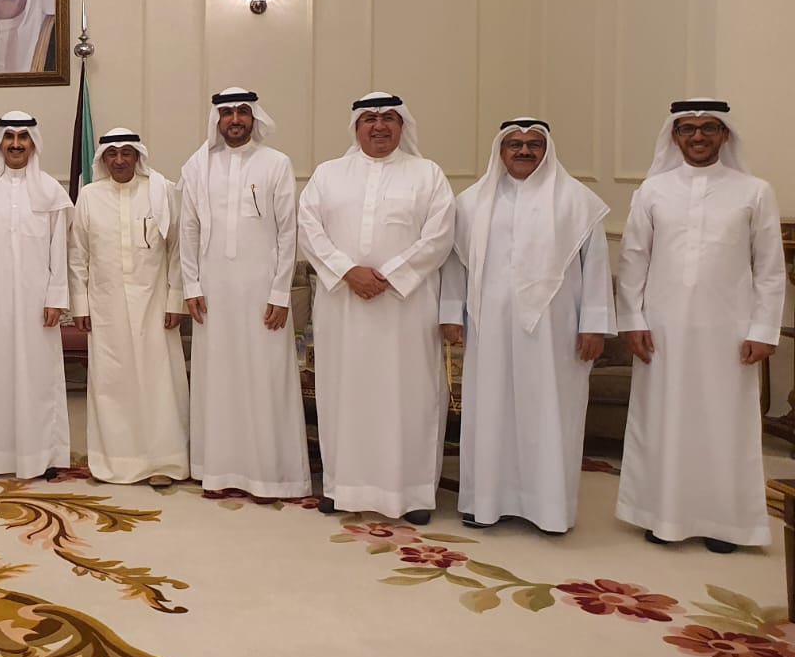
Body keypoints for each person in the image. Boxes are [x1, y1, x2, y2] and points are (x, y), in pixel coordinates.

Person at [616, 99, 784, 553]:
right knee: (663, 420)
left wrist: (763, 330)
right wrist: (632, 320)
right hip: (662, 330)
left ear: (725, 135)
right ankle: (660, 514)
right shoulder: (652, 190)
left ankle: (723, 523)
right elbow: (633, 260)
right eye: (687, 129)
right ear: (674, 137)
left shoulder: (754, 191)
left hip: (729, 331)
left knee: (724, 424)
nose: (697, 137)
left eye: (708, 128)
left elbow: (770, 269)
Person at [439, 118, 613, 534]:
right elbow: (455, 264)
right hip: (489, 327)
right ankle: (484, 503)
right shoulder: (472, 202)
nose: (524, 151)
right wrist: (450, 314)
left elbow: (597, 267)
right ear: (500, 151)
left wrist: (594, 325)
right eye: (514, 144)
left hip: (555, 331)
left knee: (550, 412)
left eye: (534, 144)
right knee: (489, 411)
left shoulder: (577, 201)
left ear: (547, 150)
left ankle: (549, 511)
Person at [298, 93, 455, 524]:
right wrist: (349, 272)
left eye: (389, 118)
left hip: (407, 308)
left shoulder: (427, 174)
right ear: (356, 127)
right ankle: (341, 488)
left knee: (409, 396)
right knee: (343, 395)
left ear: (403, 126)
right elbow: (309, 229)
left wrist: (390, 276)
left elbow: (439, 237)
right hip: (343, 306)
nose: (379, 126)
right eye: (369, 118)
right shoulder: (328, 175)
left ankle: (413, 494)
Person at [178, 90, 309, 498]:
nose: (234, 119)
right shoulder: (198, 166)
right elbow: (188, 228)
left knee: (265, 377)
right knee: (217, 378)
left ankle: (270, 474)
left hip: (262, 290)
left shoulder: (276, 163)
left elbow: (288, 232)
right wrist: (191, 284)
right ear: (216, 119)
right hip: (213, 291)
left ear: (255, 118)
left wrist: (280, 293)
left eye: (242, 112)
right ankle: (217, 472)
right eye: (227, 112)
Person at [0, 111, 72, 479]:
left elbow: (59, 250)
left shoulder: (51, 191)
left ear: (34, 143)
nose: (17, 144)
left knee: (40, 378)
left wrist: (56, 298)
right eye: (10, 136)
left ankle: (44, 455)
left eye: (24, 137)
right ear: (0, 142)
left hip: (39, 305)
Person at [71, 127, 189, 487]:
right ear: (103, 159)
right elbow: (78, 254)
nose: (119, 160)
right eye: (112, 154)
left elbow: (178, 249)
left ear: (138, 156)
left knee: (158, 382)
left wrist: (175, 298)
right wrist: (80, 305)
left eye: (126, 153)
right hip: (105, 306)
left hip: (154, 304)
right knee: (112, 384)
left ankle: (164, 462)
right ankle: (115, 461)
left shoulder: (161, 191)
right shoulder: (89, 196)